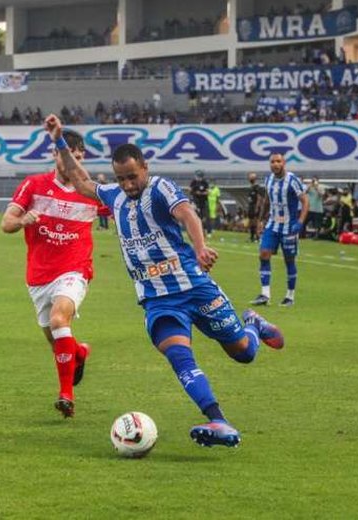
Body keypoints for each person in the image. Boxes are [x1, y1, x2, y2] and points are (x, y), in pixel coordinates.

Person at [44, 113, 284, 448]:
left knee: (242, 353)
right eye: (121, 178)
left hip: (195, 287)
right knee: (179, 356)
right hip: (159, 301)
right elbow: (81, 180)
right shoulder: (114, 196)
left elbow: (187, 213)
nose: (127, 184)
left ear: (144, 167)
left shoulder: (160, 187)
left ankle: (253, 326)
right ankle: (219, 420)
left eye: (132, 176)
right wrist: (57, 140)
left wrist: (201, 248)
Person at [0, 129, 107, 419]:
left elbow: (124, 210)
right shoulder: (34, 185)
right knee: (55, 338)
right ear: (56, 155)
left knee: (60, 319)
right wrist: (23, 219)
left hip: (74, 270)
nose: (76, 161)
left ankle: (66, 395)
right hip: (39, 276)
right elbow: (6, 223)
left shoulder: (90, 193)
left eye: (81, 156)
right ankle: (79, 353)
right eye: (71, 155)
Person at [251, 153, 309, 307]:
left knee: (289, 260)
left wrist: (300, 222)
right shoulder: (268, 179)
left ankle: (290, 296)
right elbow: (267, 201)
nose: (275, 164)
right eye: (272, 162)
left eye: (278, 161)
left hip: (289, 226)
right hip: (272, 224)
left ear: (284, 163)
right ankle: (265, 294)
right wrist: (261, 221)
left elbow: (305, 201)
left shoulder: (292, 180)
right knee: (263, 254)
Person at [246, 172, 267, 242]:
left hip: (255, 206)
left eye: (252, 177)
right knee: (251, 222)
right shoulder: (250, 188)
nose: (251, 178)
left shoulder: (257, 187)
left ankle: (258, 237)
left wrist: (257, 207)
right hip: (250, 206)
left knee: (256, 222)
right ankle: (252, 236)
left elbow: (259, 198)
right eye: (250, 177)